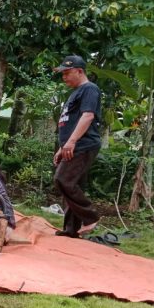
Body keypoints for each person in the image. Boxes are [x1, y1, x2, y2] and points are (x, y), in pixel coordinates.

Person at [53, 55, 102, 238]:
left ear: (79, 71)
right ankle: (71, 229)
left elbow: (88, 116)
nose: (64, 77)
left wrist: (72, 142)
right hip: (72, 144)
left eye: (67, 73)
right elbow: (69, 122)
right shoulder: (76, 92)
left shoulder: (90, 89)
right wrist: (63, 146)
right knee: (73, 184)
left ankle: (91, 216)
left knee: (62, 180)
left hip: (83, 144)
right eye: (62, 74)